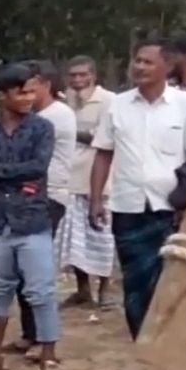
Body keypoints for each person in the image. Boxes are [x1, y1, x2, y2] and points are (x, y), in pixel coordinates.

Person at [88, 38, 186, 339]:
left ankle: (167, 347)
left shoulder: (184, 106)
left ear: (167, 66)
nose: (139, 67)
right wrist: (96, 199)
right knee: (134, 284)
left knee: (170, 282)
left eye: (148, 61)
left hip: (171, 211)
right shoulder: (117, 106)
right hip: (128, 208)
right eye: (137, 61)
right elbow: (103, 153)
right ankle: (142, 346)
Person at [0, 63, 62, 370]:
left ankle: (49, 353)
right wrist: (12, 176)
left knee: (42, 289)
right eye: (22, 92)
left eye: (32, 91)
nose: (28, 98)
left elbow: (38, 168)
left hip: (32, 220)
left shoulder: (42, 129)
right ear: (3, 95)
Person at [7, 59, 76, 359]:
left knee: (36, 270)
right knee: (21, 269)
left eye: (30, 88)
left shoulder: (55, 117)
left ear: (46, 85)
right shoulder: (38, 116)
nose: (26, 95)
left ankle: (43, 338)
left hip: (49, 196)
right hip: (30, 195)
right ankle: (30, 333)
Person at [55, 55, 116, 308]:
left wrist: (71, 133)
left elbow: (105, 139)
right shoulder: (65, 101)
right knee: (75, 237)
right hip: (71, 178)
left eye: (83, 75)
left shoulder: (109, 101)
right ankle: (82, 290)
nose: (78, 80)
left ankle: (105, 290)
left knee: (102, 235)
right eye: (73, 75)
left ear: (93, 75)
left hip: (101, 179)